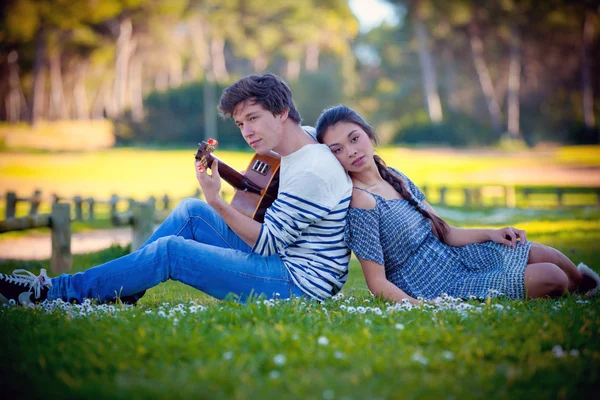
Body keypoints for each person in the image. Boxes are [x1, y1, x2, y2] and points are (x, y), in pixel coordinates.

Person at [0, 74, 352, 306]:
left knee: (172, 252)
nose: (247, 131)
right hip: (284, 260)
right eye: (241, 123)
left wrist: (216, 199)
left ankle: (55, 293)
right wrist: (213, 195)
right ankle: (115, 291)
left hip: (298, 284)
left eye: (254, 118)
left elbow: (268, 242)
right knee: (190, 212)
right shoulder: (300, 138)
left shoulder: (312, 170)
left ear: (281, 112)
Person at [315, 105, 600, 304]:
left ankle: (586, 288)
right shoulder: (361, 203)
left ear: (368, 134)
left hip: (453, 259)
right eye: (337, 150)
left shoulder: (395, 177)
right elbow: (376, 283)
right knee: (552, 277)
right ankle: (574, 288)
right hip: (432, 283)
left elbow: (445, 233)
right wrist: (420, 306)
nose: (351, 151)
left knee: (545, 254)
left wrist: (491, 233)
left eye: (354, 139)